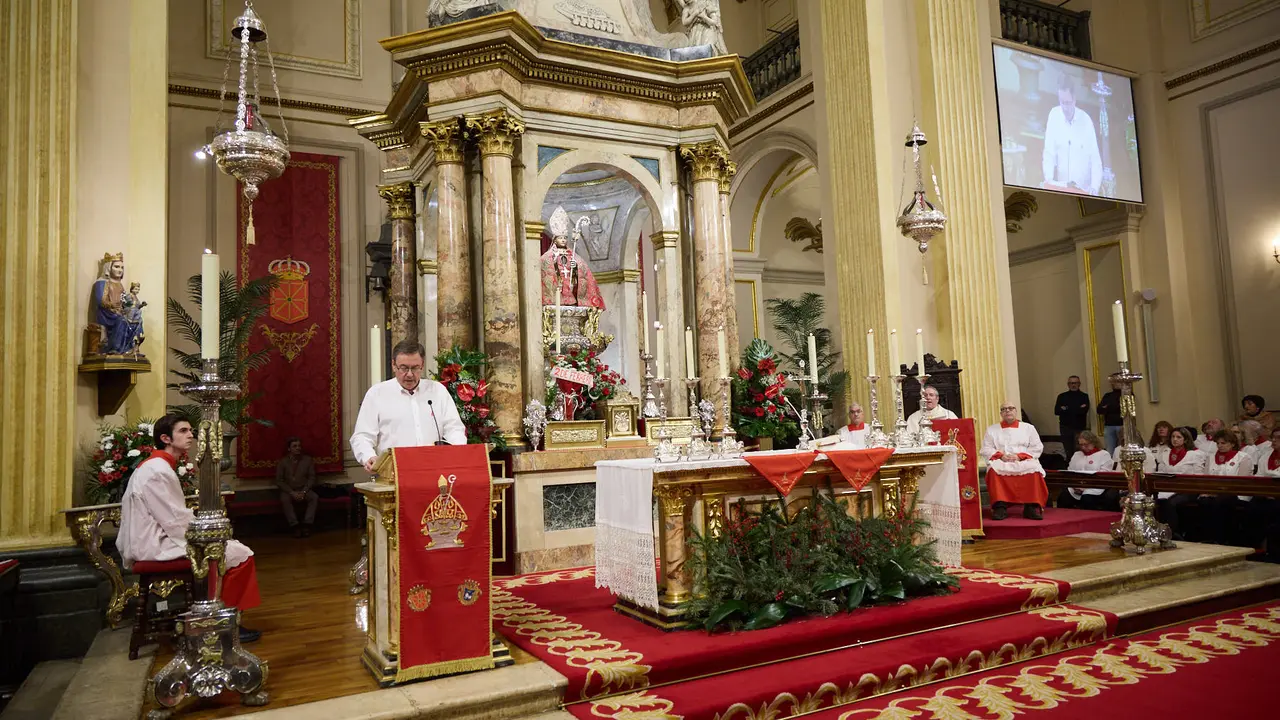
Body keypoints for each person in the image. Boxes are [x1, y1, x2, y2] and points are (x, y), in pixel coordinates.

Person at [118, 415, 261, 643]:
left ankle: (218, 618)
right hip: (154, 544)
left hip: (158, 537)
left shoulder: (158, 466)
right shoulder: (157, 471)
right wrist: (207, 533)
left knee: (228, 548)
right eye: (183, 431)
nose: (191, 435)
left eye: (190, 430)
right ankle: (221, 624)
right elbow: (173, 521)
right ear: (165, 438)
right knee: (238, 554)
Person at [351, 339, 468, 472]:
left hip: (435, 470)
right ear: (394, 365)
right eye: (404, 368)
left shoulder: (437, 391)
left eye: (415, 368)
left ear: (422, 365)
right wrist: (369, 456)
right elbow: (362, 436)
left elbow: (454, 428)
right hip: (394, 472)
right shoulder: (377, 394)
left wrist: (456, 452)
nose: (410, 374)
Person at [981, 402, 1048, 520]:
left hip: (1023, 460)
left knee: (1034, 470)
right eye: (1004, 409)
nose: (1007, 411)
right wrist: (1000, 455)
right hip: (1002, 460)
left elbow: (1037, 446)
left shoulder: (1028, 428)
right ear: (1001, 413)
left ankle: (1030, 507)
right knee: (993, 470)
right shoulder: (992, 429)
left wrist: (1019, 456)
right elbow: (986, 448)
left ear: (1016, 411)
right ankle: (1000, 507)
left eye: (1011, 408)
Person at [1041, 75, 1102, 195]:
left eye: (1068, 103)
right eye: (1062, 102)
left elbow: (1095, 159)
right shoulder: (1054, 115)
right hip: (1062, 189)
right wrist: (1048, 180)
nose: (1065, 108)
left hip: (1084, 191)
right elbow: (1049, 152)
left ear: (1074, 100)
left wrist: (1094, 188)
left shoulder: (1086, 120)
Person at [1155, 427, 1208, 540]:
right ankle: (1158, 531)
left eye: (1179, 437)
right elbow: (1160, 472)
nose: (1175, 439)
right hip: (1168, 488)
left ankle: (1173, 533)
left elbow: (1199, 475)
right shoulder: (1165, 453)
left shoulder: (1195, 454)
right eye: (1173, 437)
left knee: (1171, 503)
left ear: (1186, 439)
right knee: (1155, 500)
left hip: (1189, 488)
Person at [1057, 430, 1115, 510]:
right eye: (1081, 445)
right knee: (1064, 496)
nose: (1083, 447)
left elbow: (1104, 475)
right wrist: (1074, 485)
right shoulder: (1077, 455)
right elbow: (1070, 472)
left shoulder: (1103, 454)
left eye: (1086, 445)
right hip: (1076, 487)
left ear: (1093, 443)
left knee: (1087, 498)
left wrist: (1085, 487)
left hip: (1095, 487)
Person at [276, 437, 318, 538]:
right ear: (289, 449)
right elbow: (279, 481)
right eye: (294, 446)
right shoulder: (283, 462)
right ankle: (294, 526)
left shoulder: (307, 460)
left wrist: (304, 491)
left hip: (304, 489)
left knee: (314, 497)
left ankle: (307, 525)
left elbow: (312, 478)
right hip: (289, 490)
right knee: (285, 499)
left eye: (299, 446)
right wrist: (292, 492)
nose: (298, 448)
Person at [1053, 375, 1091, 459]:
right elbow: (1056, 411)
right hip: (1065, 427)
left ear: (1079, 384)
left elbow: (1083, 411)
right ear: (1068, 384)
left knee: (1079, 450)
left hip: (1079, 428)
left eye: (1075, 383)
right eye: (1071, 383)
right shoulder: (1062, 396)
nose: (1073, 385)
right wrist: (1077, 408)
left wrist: (1066, 408)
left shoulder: (1084, 396)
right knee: (1068, 451)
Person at [1096, 380, 1123, 454]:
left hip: (1122, 425)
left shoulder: (1127, 394)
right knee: (1109, 451)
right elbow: (1099, 410)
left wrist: (1107, 407)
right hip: (1109, 425)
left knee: (1122, 450)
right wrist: (1113, 407)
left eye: (1118, 381)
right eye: (1114, 382)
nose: (1115, 384)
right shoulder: (1107, 395)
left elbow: (1122, 409)